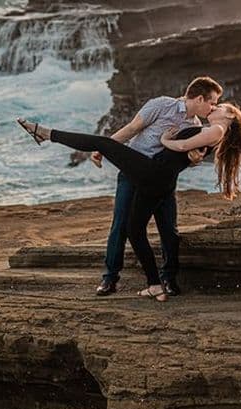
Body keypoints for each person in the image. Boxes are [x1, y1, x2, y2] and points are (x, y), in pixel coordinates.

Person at [16, 102, 241, 302]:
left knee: (105, 144)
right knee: (134, 230)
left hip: (153, 174)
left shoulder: (216, 129)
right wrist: (189, 154)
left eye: (221, 105)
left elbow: (180, 148)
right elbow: (189, 154)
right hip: (156, 179)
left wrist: (166, 140)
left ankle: (45, 133)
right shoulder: (207, 128)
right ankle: (155, 284)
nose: (216, 106)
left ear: (230, 115)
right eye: (214, 102)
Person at [89, 78, 223, 297]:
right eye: (212, 102)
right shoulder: (161, 105)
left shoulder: (196, 127)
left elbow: (185, 159)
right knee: (121, 224)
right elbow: (132, 129)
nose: (214, 107)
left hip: (162, 182)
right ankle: (110, 278)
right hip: (133, 174)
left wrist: (194, 159)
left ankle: (168, 279)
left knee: (169, 229)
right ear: (199, 98)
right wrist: (104, 149)